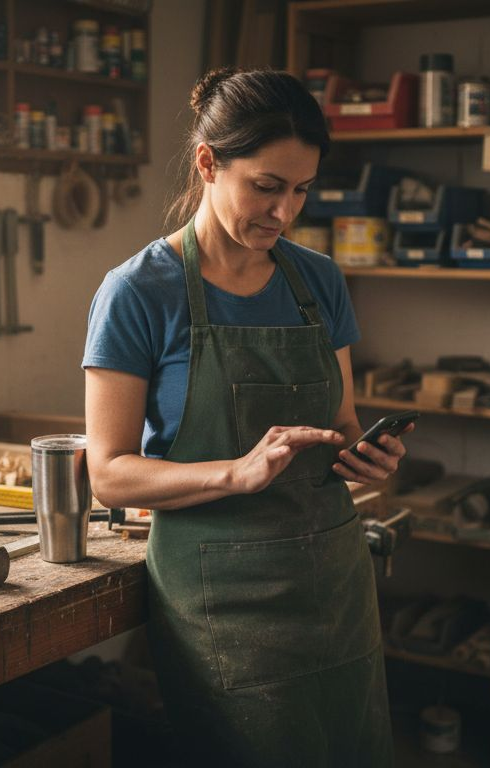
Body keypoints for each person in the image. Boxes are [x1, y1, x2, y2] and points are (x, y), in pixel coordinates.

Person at [82, 67, 410, 767]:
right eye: (266, 186)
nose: (283, 212)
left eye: (300, 192)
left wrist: (365, 454)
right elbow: (109, 476)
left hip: (332, 588)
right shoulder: (138, 293)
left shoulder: (317, 280)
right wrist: (235, 473)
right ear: (208, 164)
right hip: (223, 604)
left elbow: (344, 421)